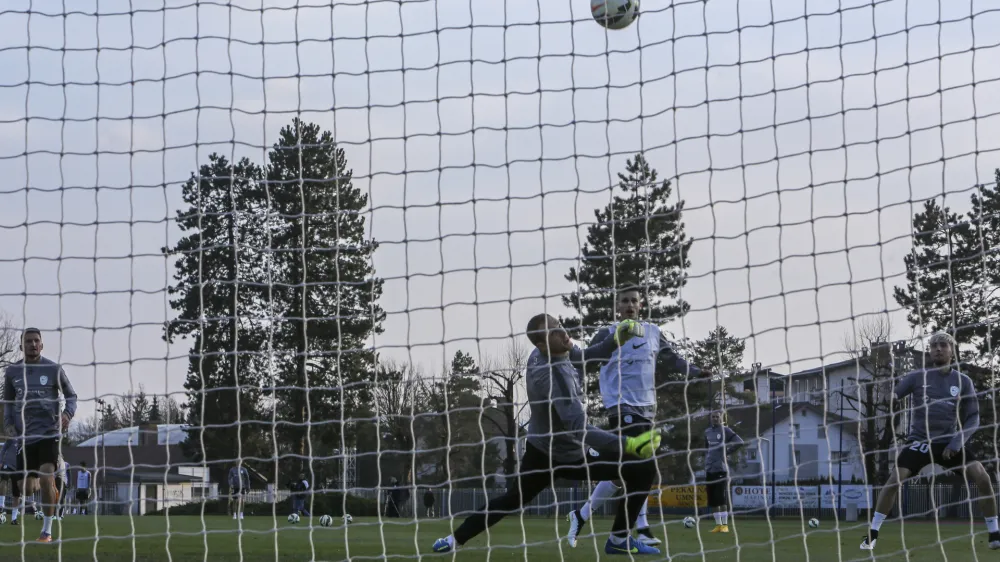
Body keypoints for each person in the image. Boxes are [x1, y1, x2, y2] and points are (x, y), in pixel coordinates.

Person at [431, 314, 662, 555]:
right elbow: (579, 429)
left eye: (559, 326)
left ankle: (453, 540)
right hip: (569, 456)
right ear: (542, 345)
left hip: (540, 448)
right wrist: (628, 443)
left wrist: (614, 341)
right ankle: (618, 540)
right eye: (553, 332)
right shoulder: (554, 376)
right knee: (642, 468)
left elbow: (584, 356)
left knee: (513, 498)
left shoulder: (545, 352)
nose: (562, 332)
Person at [567, 287, 713, 547]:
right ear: (617, 307)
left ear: (641, 305)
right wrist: (574, 389)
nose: (629, 305)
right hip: (621, 407)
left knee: (625, 471)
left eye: (634, 301)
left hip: (647, 410)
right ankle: (630, 533)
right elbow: (585, 360)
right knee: (643, 468)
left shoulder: (653, 332)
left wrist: (695, 371)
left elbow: (672, 359)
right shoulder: (607, 333)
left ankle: (583, 514)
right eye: (624, 301)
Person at [861, 332, 1000, 551]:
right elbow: (893, 396)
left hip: (949, 443)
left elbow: (973, 418)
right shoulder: (917, 377)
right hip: (920, 441)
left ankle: (994, 533)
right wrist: (889, 395)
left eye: (943, 345)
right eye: (934, 345)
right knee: (894, 480)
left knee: (983, 478)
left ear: (952, 351)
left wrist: (956, 443)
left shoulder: (963, 381)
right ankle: (872, 534)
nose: (938, 349)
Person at [2, 328, 78, 543]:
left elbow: (71, 396)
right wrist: (9, 425)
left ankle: (46, 531)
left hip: (49, 434)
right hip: (24, 437)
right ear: (22, 346)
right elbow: (8, 403)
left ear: (42, 345)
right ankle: (48, 486)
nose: (33, 344)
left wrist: (67, 414)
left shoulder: (53, 369)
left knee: (46, 477)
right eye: (28, 341)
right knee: (24, 489)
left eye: (36, 341)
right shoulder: (12, 372)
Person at [703, 411, 743, 533]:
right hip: (709, 469)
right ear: (711, 418)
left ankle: (725, 525)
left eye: (717, 417)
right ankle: (718, 525)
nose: (715, 418)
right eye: (713, 417)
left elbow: (740, 442)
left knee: (721, 497)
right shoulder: (707, 432)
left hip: (720, 469)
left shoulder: (726, 430)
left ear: (721, 418)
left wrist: (727, 452)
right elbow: (707, 448)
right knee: (712, 499)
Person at [0, 438, 20, 523]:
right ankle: (1, 506)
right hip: (7, 464)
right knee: (4, 480)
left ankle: (14, 518)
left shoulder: (27, 440)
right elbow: (3, 449)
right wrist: (0, 461)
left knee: (17, 493)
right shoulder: (12, 437)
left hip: (19, 468)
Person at [54, 455, 71, 519]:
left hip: (63, 482)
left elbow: (69, 474)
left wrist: (69, 483)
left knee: (62, 498)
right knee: (56, 498)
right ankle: (56, 514)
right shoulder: (56, 463)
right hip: (56, 481)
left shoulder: (66, 464)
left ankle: (60, 514)